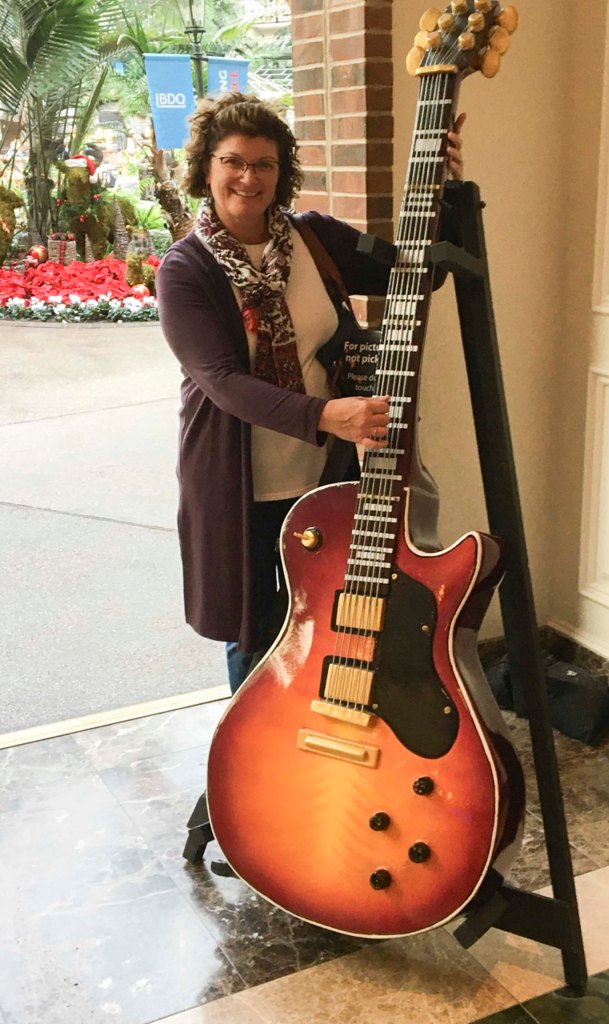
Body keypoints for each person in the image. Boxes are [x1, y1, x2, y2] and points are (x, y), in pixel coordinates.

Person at [157, 91, 465, 694]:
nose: (249, 178)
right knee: (255, 635)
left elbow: (420, 272)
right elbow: (222, 381)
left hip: (325, 475)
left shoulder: (313, 239)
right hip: (239, 483)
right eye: (234, 161)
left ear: (282, 171)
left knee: (331, 615)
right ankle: (254, 766)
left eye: (265, 164)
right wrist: (327, 414)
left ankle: (314, 757)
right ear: (206, 167)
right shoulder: (185, 269)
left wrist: (446, 191)